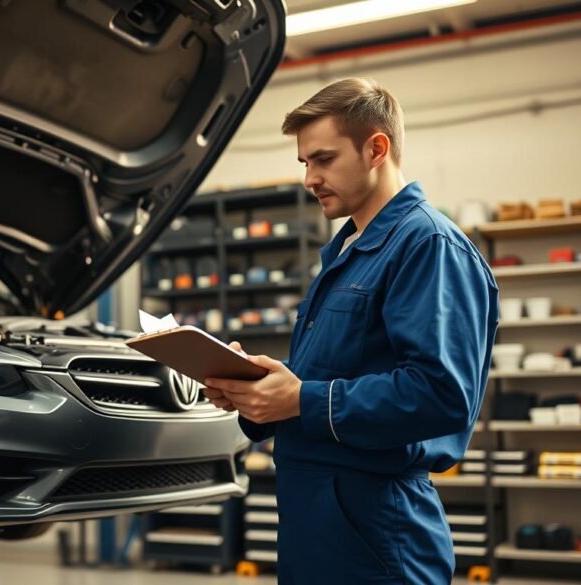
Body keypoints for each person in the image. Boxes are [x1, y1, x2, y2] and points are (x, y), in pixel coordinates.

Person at [204, 78, 498, 584]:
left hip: (376, 533)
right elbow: (327, 377)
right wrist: (258, 391)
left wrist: (301, 400)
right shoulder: (349, 251)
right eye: (304, 163)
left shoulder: (427, 245)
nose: (309, 178)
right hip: (315, 524)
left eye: (323, 159)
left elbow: (443, 395)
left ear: (376, 148)